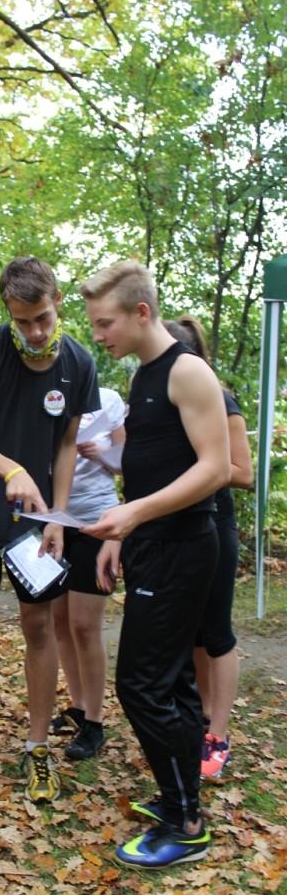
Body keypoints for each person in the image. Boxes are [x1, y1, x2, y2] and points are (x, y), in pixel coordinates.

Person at [80, 260, 230, 869]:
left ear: (141, 313)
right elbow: (151, 469)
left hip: (183, 548)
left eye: (105, 323)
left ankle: (185, 823)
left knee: (140, 685)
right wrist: (123, 532)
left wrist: (136, 515)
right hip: (151, 544)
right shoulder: (144, 375)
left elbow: (216, 469)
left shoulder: (188, 372)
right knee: (172, 682)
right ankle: (181, 797)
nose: (98, 335)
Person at [0, 256, 100, 803]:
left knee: (39, 627)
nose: (34, 332)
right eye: (23, 321)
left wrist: (57, 516)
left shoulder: (79, 363)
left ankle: (37, 747)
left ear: (57, 303)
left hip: (35, 523)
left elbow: (67, 445)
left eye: (43, 318)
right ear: (8, 311)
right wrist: (12, 471)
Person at [163, 316, 253, 781]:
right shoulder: (168, 400)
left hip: (215, 526)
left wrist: (201, 467)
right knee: (194, 633)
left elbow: (243, 472)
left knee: (216, 633)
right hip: (180, 530)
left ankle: (219, 734)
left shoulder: (221, 398)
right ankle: (200, 718)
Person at [51, 386, 125, 760]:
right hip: (52, 520)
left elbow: (128, 459)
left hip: (97, 519)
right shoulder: (47, 398)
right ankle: (78, 706)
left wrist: (104, 454)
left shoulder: (108, 400)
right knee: (60, 621)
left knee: (84, 625)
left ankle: (95, 722)